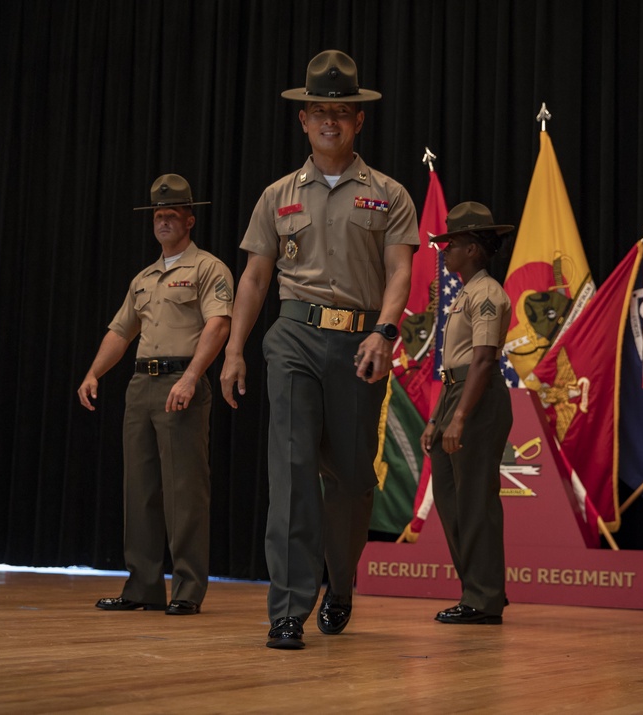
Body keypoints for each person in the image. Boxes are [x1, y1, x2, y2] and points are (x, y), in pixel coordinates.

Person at [220, 50, 418, 649]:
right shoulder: (276, 195)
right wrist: (234, 351)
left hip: (361, 342)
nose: (330, 120)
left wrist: (384, 333)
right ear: (302, 120)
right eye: (318, 111)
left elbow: (400, 272)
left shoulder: (388, 194)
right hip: (293, 338)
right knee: (292, 468)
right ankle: (287, 608)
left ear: (359, 121)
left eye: (342, 110)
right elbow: (254, 279)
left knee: (354, 480)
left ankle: (341, 581)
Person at [78, 174, 233, 616]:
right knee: (140, 489)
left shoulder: (208, 269)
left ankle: (187, 589)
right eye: (157, 215)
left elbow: (218, 325)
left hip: (180, 382)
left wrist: (192, 377)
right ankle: (142, 586)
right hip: (140, 386)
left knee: (184, 491)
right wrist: (94, 372)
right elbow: (121, 331)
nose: (163, 221)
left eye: (172, 214)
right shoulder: (144, 277)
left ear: (190, 219)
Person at [421, 202, 514, 625]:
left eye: (451, 244)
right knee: (451, 501)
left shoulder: (488, 293)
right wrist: (437, 417)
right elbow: (454, 365)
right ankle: (474, 590)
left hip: (477, 400)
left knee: (474, 501)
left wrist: (458, 418)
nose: (443, 250)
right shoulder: (466, 292)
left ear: (473, 249)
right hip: (455, 394)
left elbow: (481, 361)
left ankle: (483, 599)